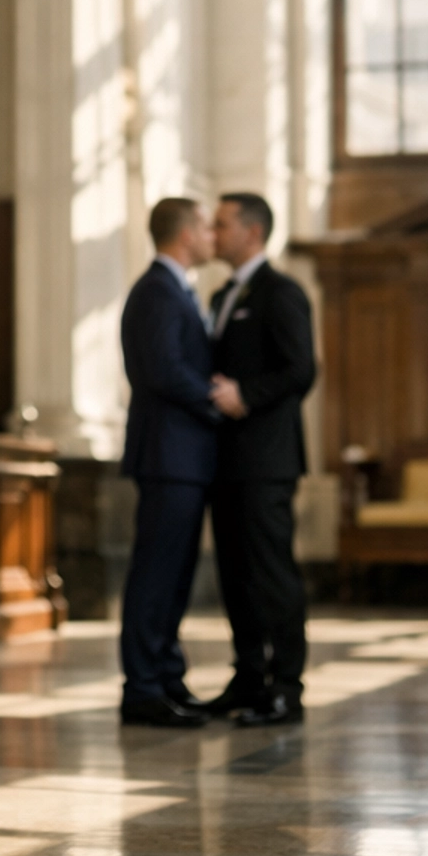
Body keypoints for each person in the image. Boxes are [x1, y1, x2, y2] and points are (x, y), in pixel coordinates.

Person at [205, 191, 316, 727]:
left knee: (272, 574)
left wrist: (246, 394)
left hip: (267, 462)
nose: (212, 232)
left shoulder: (282, 292)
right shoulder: (219, 295)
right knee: (235, 573)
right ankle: (248, 677)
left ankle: (286, 687)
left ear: (252, 232)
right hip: (224, 461)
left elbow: (301, 371)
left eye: (222, 224)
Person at [119, 196, 218, 727]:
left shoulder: (178, 289)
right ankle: (142, 687)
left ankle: (167, 676)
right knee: (156, 574)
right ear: (185, 233)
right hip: (167, 454)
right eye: (206, 226)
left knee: (175, 575)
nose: (212, 237)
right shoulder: (157, 290)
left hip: (185, 455)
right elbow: (162, 369)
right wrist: (217, 399)